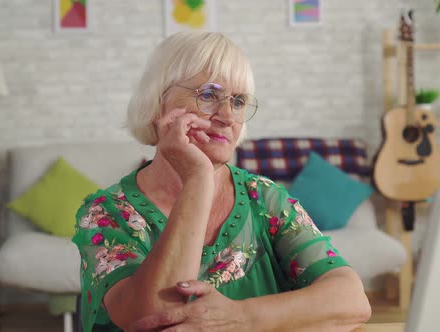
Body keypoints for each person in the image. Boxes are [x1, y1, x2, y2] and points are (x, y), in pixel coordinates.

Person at [72, 31, 371, 332]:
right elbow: (154, 320)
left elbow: (352, 301)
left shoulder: (263, 198)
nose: (227, 116)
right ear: (158, 101)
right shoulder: (105, 212)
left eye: (238, 101)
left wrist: (238, 318)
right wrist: (198, 179)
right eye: (208, 95)